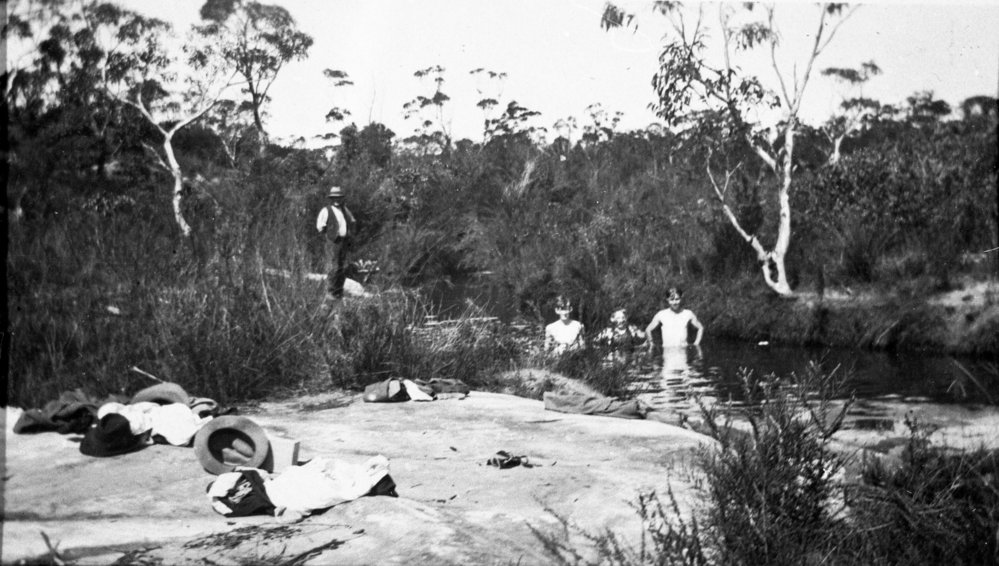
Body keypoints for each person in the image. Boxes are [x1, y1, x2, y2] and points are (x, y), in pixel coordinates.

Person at [315, 185, 356, 298]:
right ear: (331, 199)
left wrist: (349, 234)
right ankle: (330, 291)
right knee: (334, 266)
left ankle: (338, 291)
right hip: (333, 242)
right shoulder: (326, 210)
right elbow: (320, 227)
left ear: (341, 198)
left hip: (344, 241)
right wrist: (330, 236)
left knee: (343, 266)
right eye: (334, 198)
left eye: (339, 198)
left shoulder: (344, 209)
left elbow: (352, 221)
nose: (337, 200)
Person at [645, 286, 704, 351]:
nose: (675, 302)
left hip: (683, 351)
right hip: (667, 351)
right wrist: (651, 343)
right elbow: (648, 329)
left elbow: (700, 328)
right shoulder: (661, 315)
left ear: (681, 299)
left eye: (677, 299)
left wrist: (696, 344)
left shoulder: (688, 314)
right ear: (667, 300)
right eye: (672, 300)